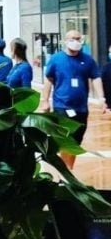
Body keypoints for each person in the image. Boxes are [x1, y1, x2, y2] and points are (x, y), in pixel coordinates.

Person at [42, 29, 106, 169]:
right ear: (65, 41)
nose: (76, 42)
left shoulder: (87, 60)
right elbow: (48, 79)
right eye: (72, 39)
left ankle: (68, 168)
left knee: (76, 141)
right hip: (62, 107)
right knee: (66, 139)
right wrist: (45, 100)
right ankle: (66, 171)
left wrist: (101, 98)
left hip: (81, 108)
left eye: (78, 39)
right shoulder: (56, 59)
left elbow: (95, 77)